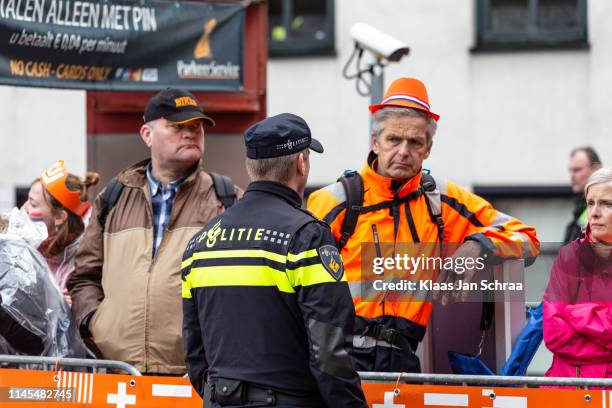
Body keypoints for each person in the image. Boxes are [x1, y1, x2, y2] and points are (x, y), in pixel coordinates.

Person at [307, 77, 540, 373]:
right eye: (393, 140)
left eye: (415, 142)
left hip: (402, 362)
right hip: (339, 360)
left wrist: (475, 246)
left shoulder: (442, 201)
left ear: (428, 148)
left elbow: (527, 238)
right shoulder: (333, 200)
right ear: (375, 142)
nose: (403, 151)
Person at [182, 113, 367, 407]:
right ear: (301, 164)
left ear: (251, 167)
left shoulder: (201, 243)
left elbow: (194, 349)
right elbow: (329, 350)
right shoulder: (307, 237)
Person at [68, 88, 242, 375]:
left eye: (196, 126)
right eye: (177, 126)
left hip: (196, 376)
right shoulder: (112, 198)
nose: (191, 133)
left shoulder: (228, 200)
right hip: (119, 372)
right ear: (147, 135)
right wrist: (95, 321)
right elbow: (84, 276)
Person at [543, 167, 612, 384]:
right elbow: (554, 335)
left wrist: (576, 314)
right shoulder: (569, 257)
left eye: (607, 204)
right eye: (590, 203)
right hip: (568, 390)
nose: (594, 213)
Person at [22, 160, 99, 305]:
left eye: (33, 204)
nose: (24, 208)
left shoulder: (81, 264)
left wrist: (62, 307)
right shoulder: (21, 241)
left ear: (59, 217)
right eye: (28, 199)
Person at [564, 147, 602, 243]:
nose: (572, 176)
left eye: (577, 170)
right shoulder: (581, 208)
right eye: (570, 170)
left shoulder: (604, 210)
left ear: (595, 169)